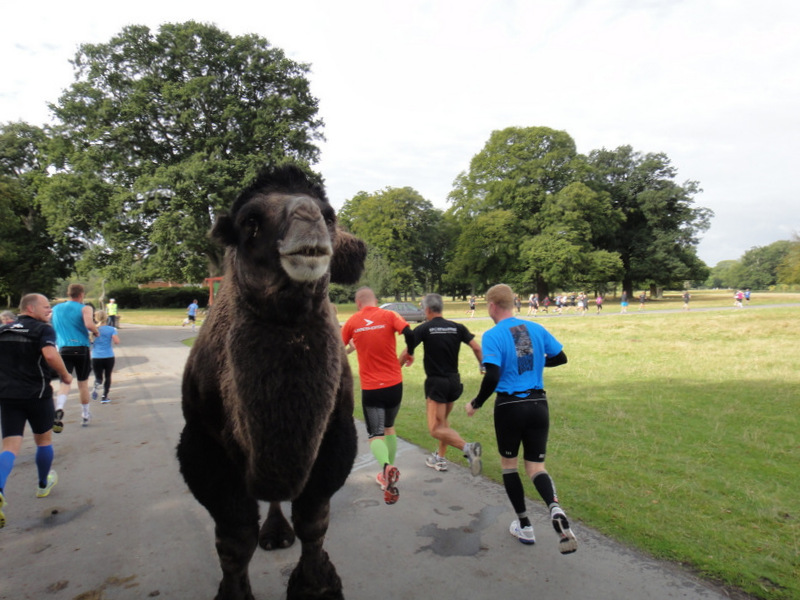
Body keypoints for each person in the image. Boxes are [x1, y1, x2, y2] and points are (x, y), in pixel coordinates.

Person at [465, 284, 577, 554]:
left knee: (509, 466)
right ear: (512, 303)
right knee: (537, 468)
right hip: (538, 404)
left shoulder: (493, 335)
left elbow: (491, 375)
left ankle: (525, 526)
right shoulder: (533, 329)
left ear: (492, 306)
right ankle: (554, 507)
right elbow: (560, 357)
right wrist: (536, 362)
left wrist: (476, 403)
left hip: (510, 407)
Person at [0, 294, 73, 528]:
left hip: (8, 395)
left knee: (10, 445)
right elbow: (50, 355)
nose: (49, 310)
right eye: (45, 306)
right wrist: (64, 374)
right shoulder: (42, 329)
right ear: (30, 308)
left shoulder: (4, 329)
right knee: (43, 440)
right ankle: (43, 484)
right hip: (37, 394)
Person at [341, 287, 414, 505]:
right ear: (376, 300)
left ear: (357, 302)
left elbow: (335, 348)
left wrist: (350, 349)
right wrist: (409, 352)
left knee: (375, 434)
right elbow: (410, 333)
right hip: (394, 385)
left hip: (372, 388)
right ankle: (387, 475)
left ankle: (385, 467)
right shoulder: (389, 315)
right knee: (389, 427)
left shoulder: (352, 322)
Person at [398, 293, 484, 475]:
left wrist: (395, 368)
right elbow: (476, 347)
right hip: (454, 382)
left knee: (435, 429)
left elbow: (408, 350)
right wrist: (482, 365)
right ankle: (440, 458)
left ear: (427, 309)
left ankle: (468, 448)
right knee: (443, 422)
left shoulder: (424, 328)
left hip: (436, 383)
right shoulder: (457, 327)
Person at [51, 284, 100, 429]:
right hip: (81, 347)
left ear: (68, 293)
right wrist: (96, 332)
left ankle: (59, 407)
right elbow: (89, 324)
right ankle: (85, 414)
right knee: (82, 383)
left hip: (63, 348)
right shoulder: (85, 308)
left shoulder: (55, 309)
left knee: (65, 382)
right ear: (81, 294)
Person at [91, 310, 120, 404]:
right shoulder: (112, 329)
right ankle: (104, 396)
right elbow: (117, 341)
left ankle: (96, 386)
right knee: (108, 376)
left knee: (98, 377)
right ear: (106, 318)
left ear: (95, 318)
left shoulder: (92, 330)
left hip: (96, 356)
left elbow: (89, 342)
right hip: (108, 356)